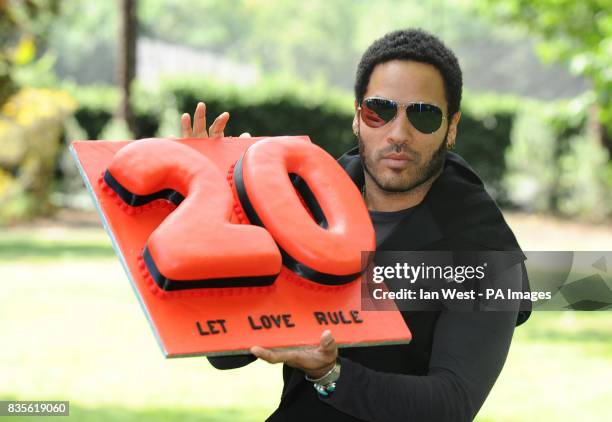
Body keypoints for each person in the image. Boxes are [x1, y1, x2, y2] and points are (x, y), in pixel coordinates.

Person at [179, 28, 531, 422]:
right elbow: (225, 356)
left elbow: (451, 404)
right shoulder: (306, 203)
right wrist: (220, 214)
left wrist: (330, 373)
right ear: (357, 117)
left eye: (424, 115)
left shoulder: (486, 252)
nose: (398, 134)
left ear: (451, 127)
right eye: (378, 111)